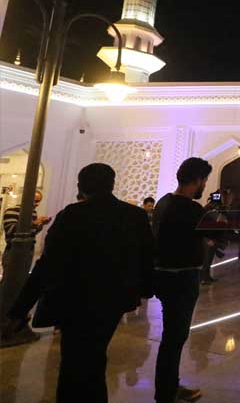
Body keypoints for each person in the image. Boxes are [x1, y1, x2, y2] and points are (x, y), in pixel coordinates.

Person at [6, 163, 153, 402]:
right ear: (111, 184)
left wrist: (20, 309)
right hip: (113, 302)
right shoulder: (134, 216)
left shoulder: (72, 215)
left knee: (74, 365)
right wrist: (144, 290)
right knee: (94, 357)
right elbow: (147, 257)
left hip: (76, 303)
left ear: (81, 187)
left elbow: (48, 265)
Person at [152, 157, 213, 403]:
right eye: (204, 180)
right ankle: (166, 393)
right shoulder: (191, 209)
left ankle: (168, 387)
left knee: (172, 338)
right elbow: (215, 235)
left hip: (163, 276)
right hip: (182, 278)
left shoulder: (164, 202)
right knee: (174, 338)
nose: (205, 186)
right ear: (197, 180)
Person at [0, 189, 51, 343]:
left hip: (27, 252)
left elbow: (30, 232)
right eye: (34, 200)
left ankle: (11, 324)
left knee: (20, 287)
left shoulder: (32, 214)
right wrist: (35, 223)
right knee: (9, 287)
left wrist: (39, 225)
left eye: (38, 201)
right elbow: (12, 231)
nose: (36, 204)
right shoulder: (12, 211)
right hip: (14, 253)